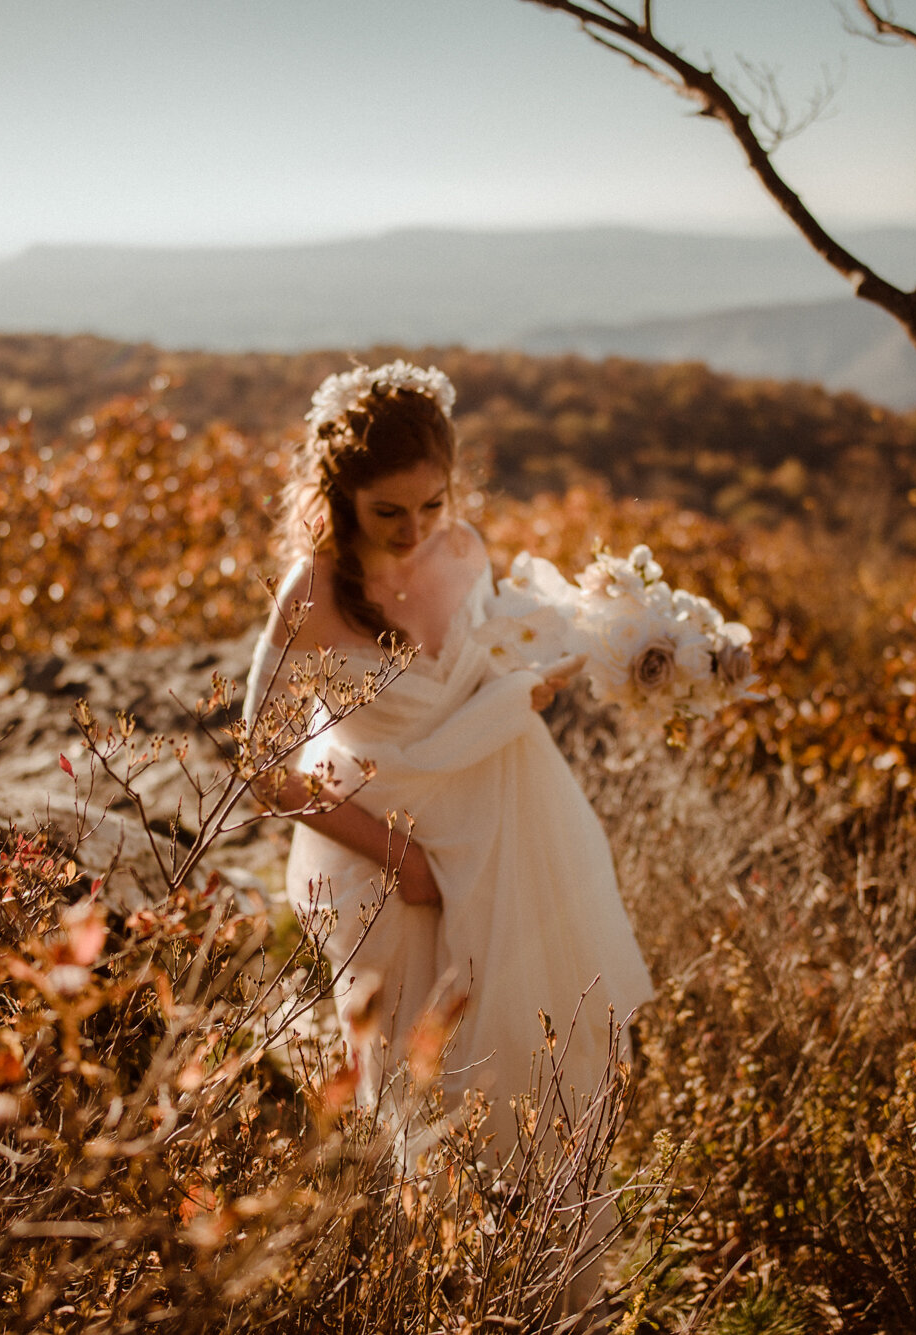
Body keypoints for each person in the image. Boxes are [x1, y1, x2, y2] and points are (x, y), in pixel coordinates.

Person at [242, 360, 655, 1158]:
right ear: (339, 494)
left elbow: (487, 659)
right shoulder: (313, 587)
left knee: (534, 1043)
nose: (414, 527)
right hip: (385, 851)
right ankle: (435, 1266)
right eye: (387, 509)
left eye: (432, 503)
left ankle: (539, 1255)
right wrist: (402, 858)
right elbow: (263, 768)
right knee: (417, 1073)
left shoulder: (463, 548)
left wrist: (524, 687)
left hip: (502, 821)